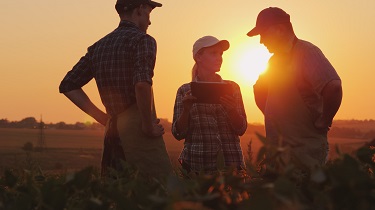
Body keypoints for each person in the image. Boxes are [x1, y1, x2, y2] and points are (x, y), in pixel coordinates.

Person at [59, 0, 172, 178]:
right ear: (140, 9)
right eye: (149, 15)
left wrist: (104, 118)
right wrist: (148, 126)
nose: (149, 22)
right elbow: (142, 84)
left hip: (112, 133)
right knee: (155, 192)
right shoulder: (143, 40)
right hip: (139, 135)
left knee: (116, 194)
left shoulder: (98, 47)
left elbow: (68, 85)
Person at [247, 7, 343, 172]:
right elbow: (259, 90)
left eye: (263, 34)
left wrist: (325, 120)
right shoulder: (273, 62)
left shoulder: (307, 52)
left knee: (305, 196)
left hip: (306, 155)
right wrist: (273, 116)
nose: (261, 41)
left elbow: (333, 87)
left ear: (280, 29)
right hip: (277, 155)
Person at [172, 36, 247, 174]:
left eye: (221, 54)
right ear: (198, 57)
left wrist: (232, 111)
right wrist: (186, 110)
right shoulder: (184, 91)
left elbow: (241, 129)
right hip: (197, 167)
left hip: (231, 167)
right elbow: (178, 133)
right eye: (213, 53)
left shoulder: (233, 88)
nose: (219, 58)